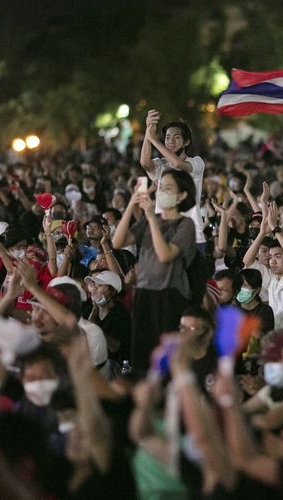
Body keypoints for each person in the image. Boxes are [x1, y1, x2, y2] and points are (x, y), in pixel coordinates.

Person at [112, 169, 197, 373]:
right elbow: (118, 241)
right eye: (160, 187)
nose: (161, 192)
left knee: (168, 358)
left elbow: (165, 255)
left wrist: (151, 217)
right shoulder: (152, 219)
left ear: (182, 195)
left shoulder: (185, 224)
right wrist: (132, 203)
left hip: (170, 295)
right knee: (143, 356)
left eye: (168, 188)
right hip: (144, 293)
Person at [140, 110, 206, 255]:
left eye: (176, 137)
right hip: (165, 234)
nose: (171, 141)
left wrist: (154, 140)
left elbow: (176, 163)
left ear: (186, 142)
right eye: (168, 137)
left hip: (193, 235)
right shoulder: (161, 164)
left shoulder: (196, 162)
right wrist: (148, 131)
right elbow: (145, 163)